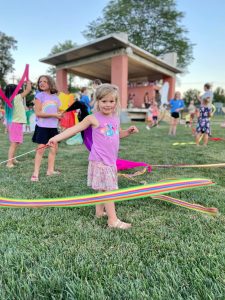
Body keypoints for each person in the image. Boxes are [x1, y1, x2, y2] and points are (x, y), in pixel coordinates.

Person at [47, 83, 139, 229]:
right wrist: (56, 138)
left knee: (102, 188)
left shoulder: (115, 118)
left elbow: (116, 134)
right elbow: (74, 129)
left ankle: (99, 212)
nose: (108, 105)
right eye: (104, 101)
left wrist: (127, 132)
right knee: (109, 190)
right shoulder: (92, 118)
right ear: (97, 101)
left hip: (110, 159)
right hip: (100, 160)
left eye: (111, 101)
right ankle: (113, 221)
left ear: (116, 102)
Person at [31, 75, 62, 181]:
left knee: (53, 149)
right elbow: (38, 113)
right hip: (43, 127)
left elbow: (57, 112)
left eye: (45, 81)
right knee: (40, 150)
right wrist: (54, 115)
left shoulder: (56, 98)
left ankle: (50, 170)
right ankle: (35, 173)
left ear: (51, 83)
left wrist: (59, 115)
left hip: (53, 127)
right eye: (40, 81)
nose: (42, 83)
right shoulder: (39, 96)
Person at [5, 81, 32, 168]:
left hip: (15, 124)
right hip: (15, 124)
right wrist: (28, 82)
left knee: (16, 143)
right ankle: (9, 163)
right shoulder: (16, 98)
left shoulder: (9, 100)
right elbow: (28, 90)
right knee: (14, 143)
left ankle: (12, 159)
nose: (19, 91)